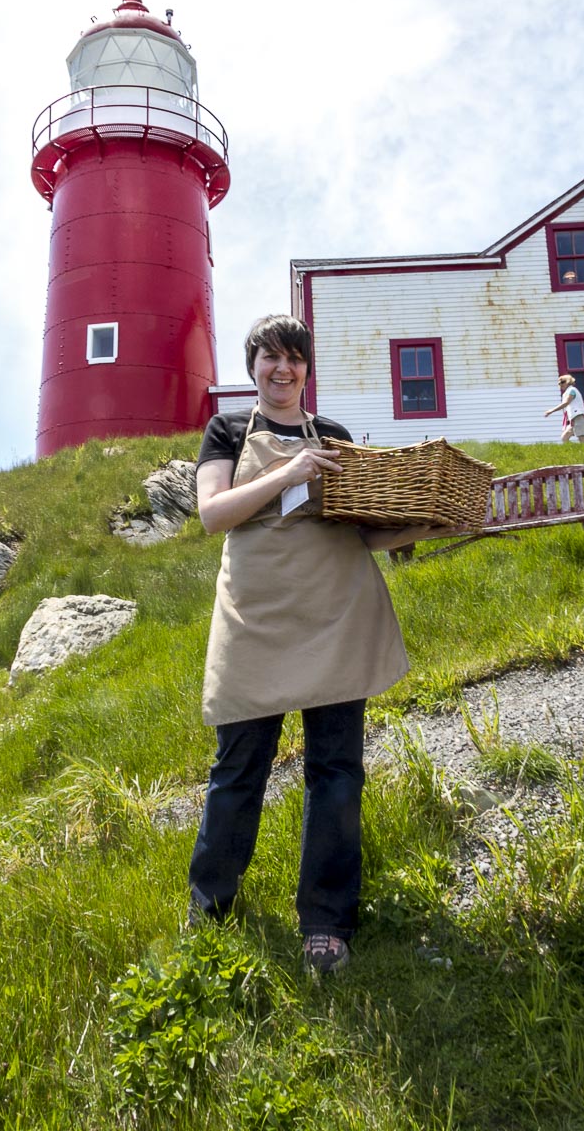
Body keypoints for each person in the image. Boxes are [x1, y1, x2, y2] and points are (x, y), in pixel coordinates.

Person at [188, 314, 446, 974]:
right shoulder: (226, 430)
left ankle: (327, 923)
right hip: (257, 617)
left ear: (306, 367)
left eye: (295, 358)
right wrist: (289, 471)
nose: (283, 370)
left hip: (336, 612)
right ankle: (209, 911)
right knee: (238, 768)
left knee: (336, 770)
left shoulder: (332, 436)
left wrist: (421, 526)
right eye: (270, 358)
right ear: (253, 366)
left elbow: (362, 532)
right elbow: (214, 513)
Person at [544, 373, 584, 443]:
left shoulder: (572, 390)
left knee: (582, 439)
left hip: (579, 417)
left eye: (562, 382)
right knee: (564, 438)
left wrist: (551, 411)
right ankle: (573, 449)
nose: (560, 384)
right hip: (573, 419)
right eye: (559, 383)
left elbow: (566, 403)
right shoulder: (567, 392)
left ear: (568, 381)